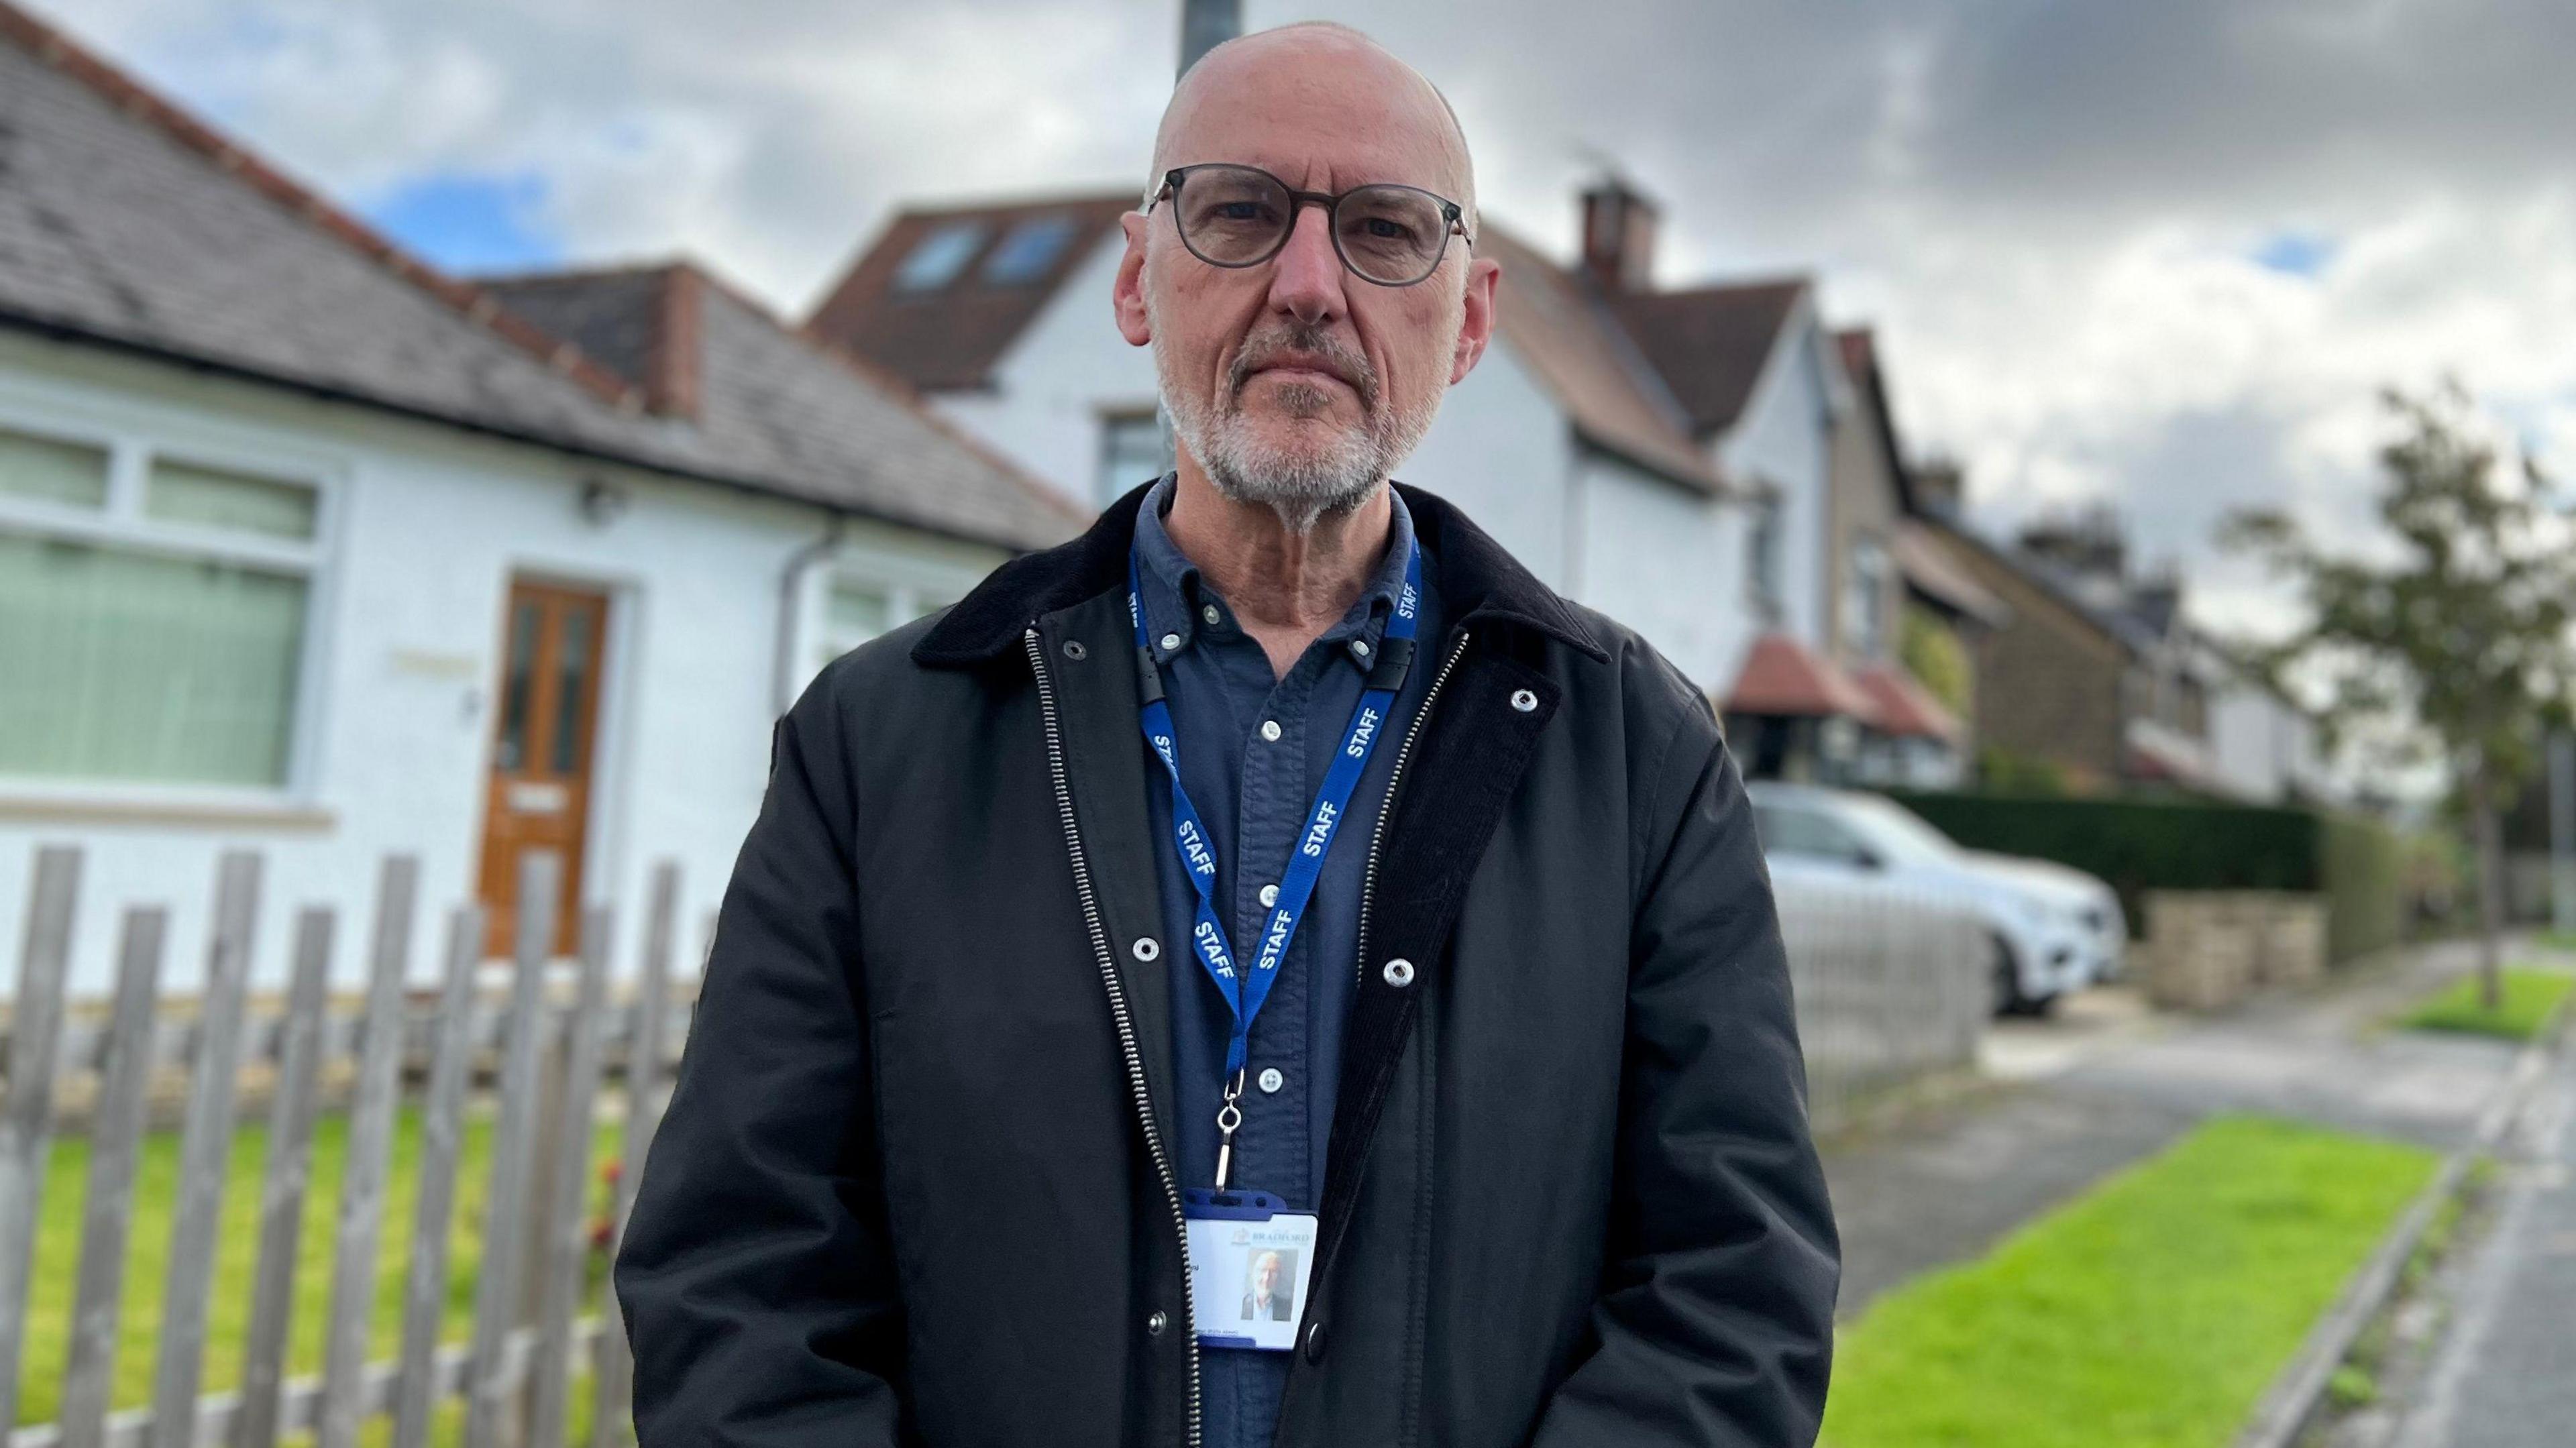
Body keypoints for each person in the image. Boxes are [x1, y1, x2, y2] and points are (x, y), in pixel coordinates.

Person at [616, 19, 1838, 1448]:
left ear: (1475, 315)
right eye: (1242, 212)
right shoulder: (885, 742)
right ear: (1140, 280)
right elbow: (739, 1282)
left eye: (1384, 230)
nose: (1309, 286)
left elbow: (1732, 1290)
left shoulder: (1634, 754)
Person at [1242, 1251, 1292, 1323]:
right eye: (1263, 1270)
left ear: (1279, 1277)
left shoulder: (1287, 1307)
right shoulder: (1241, 1304)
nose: (1267, 1278)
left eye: (1274, 1272)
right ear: (1254, 1274)